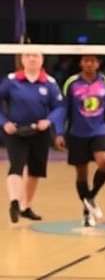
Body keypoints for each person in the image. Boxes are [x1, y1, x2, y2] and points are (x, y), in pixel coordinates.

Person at [55, 55, 105, 227]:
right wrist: (59, 132)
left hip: (99, 130)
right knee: (81, 174)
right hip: (77, 133)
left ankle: (91, 197)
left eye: (93, 61)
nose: (89, 64)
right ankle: (86, 212)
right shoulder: (71, 82)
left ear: (98, 64)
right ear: (80, 63)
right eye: (86, 60)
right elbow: (64, 108)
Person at [0, 52, 64, 223]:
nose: (32, 59)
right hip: (16, 132)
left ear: (42, 59)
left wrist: (48, 121)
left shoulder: (50, 83)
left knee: (35, 171)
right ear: (22, 59)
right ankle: (14, 202)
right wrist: (4, 122)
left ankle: (25, 206)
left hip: (39, 132)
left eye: (36, 56)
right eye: (28, 56)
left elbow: (59, 107)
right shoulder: (11, 80)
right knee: (16, 166)